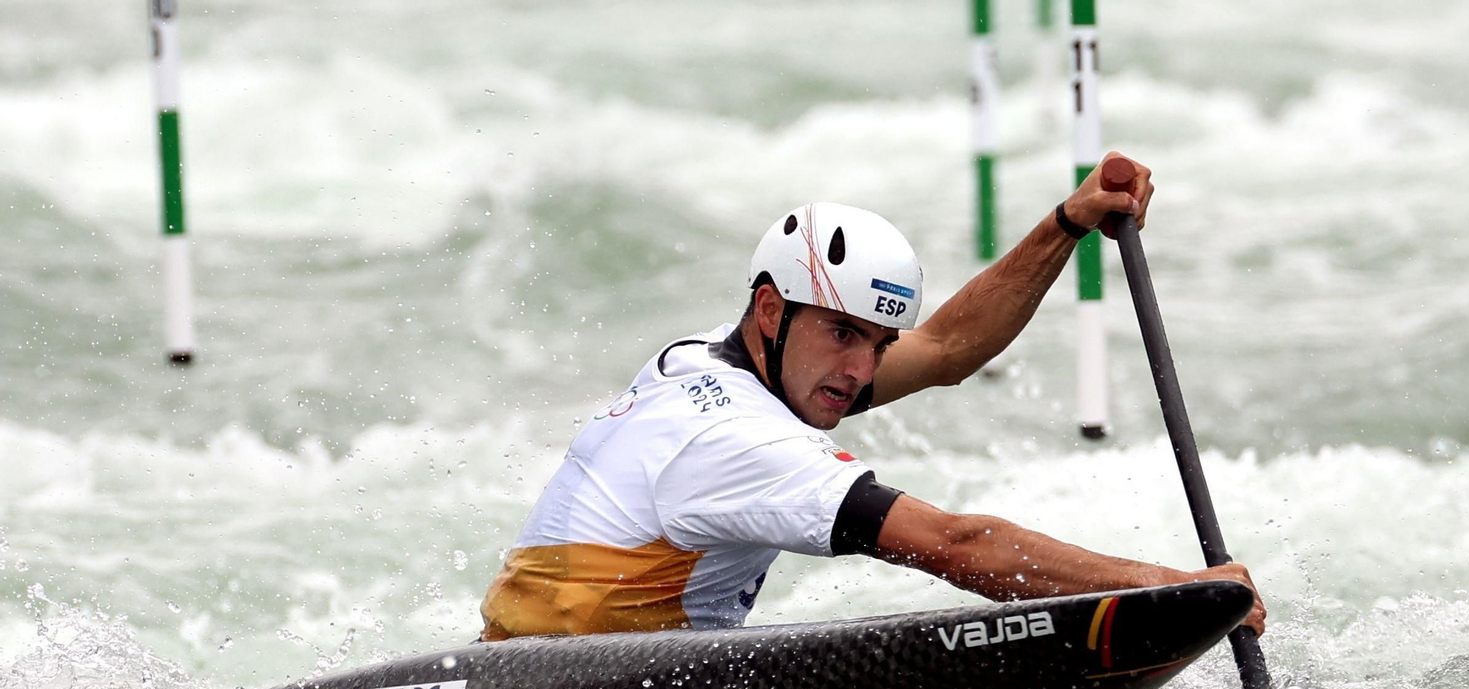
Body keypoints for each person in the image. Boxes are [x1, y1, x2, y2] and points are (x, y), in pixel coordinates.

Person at [479, 153, 1264, 641]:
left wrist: (1068, 222)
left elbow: (950, 348)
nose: (861, 369)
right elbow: (956, 545)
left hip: (548, 666)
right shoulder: (743, 444)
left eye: (877, 344)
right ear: (769, 310)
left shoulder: (712, 361)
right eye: (845, 334)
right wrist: (1173, 590)